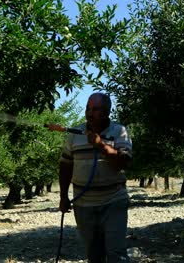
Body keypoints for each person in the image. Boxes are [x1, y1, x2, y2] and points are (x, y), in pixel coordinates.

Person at [58, 92, 133, 263]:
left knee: (117, 254)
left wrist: (101, 146)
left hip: (113, 201)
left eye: (96, 109)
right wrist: (63, 196)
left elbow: (123, 163)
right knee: (94, 255)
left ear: (107, 111)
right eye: (88, 109)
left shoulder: (119, 131)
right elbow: (65, 165)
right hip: (83, 204)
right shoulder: (75, 133)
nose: (90, 113)